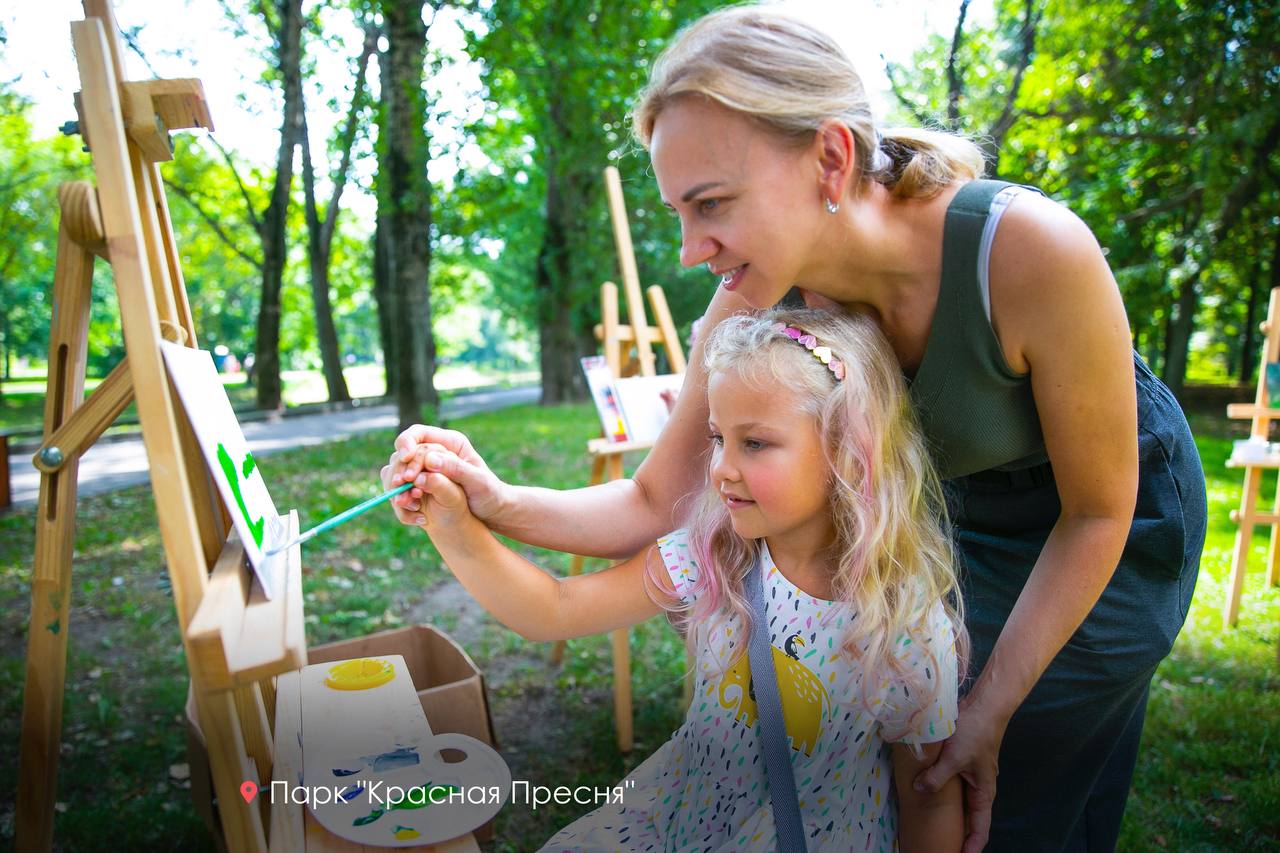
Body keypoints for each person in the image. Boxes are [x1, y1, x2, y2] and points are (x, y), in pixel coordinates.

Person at [385, 6, 1207, 851]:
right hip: (942, 512)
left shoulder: (1028, 249)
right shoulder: (753, 295)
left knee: (1018, 791)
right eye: (675, 211)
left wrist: (991, 707)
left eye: (710, 203)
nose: (687, 247)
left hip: (1104, 521)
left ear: (830, 156)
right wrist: (496, 501)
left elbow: (1099, 510)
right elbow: (653, 499)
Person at [389, 309, 966, 852]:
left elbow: (928, 797)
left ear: (849, 450)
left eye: (755, 442)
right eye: (718, 438)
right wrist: (452, 525)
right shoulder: (715, 555)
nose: (719, 468)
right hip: (675, 816)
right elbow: (555, 609)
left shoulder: (901, 624)